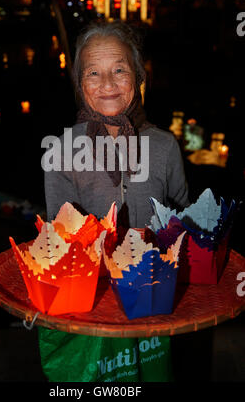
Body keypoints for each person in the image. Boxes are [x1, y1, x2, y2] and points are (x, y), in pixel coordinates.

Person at [38, 20, 190, 382]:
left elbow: (182, 222)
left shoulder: (165, 146)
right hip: (91, 304)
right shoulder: (61, 150)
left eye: (119, 70)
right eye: (93, 72)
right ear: (80, 84)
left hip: (153, 301)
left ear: (138, 77)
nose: (107, 84)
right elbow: (59, 240)